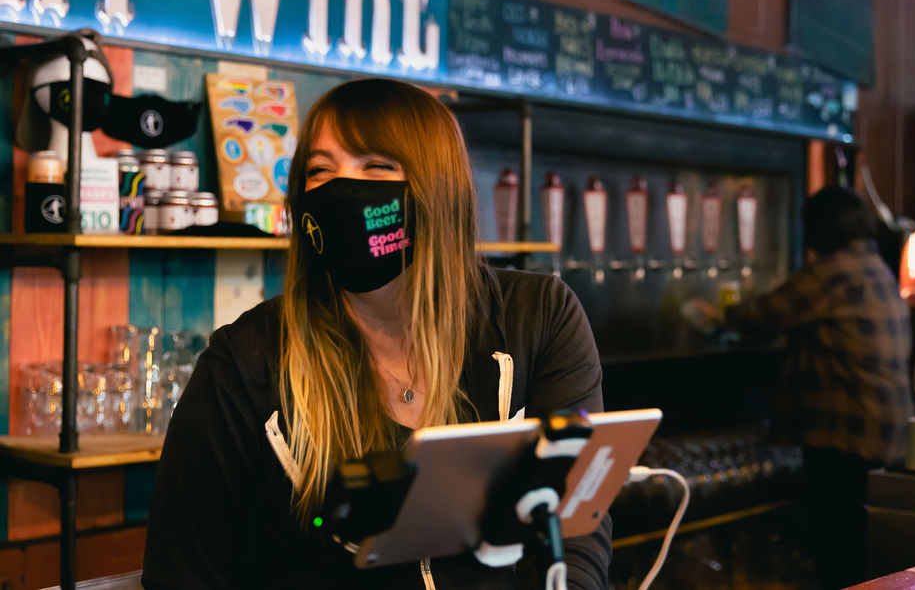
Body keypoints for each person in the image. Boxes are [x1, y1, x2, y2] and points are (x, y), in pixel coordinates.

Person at [141, 78, 610, 589]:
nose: (343, 189)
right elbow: (181, 576)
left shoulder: (537, 317)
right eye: (320, 171)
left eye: (376, 167)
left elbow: (576, 523)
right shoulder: (245, 364)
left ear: (437, 190)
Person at [691, 185, 913, 589]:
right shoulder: (875, 266)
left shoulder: (835, 270)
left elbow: (765, 314)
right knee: (860, 551)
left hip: (847, 434)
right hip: (885, 431)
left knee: (837, 550)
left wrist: (713, 313)